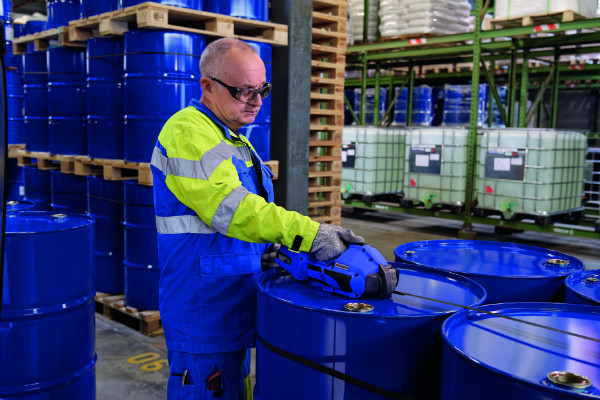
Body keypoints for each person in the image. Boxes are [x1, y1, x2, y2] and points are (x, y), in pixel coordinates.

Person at [150, 37, 365, 400]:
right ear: (208, 86)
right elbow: (232, 209)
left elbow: (243, 220)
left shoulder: (233, 138)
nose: (257, 101)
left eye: (262, 89)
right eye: (243, 91)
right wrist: (309, 234)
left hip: (230, 300)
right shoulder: (188, 132)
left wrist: (264, 253)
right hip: (203, 307)